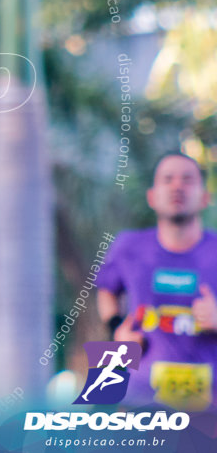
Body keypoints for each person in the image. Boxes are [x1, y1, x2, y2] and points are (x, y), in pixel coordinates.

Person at [97, 152, 217, 410]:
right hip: (139, 400)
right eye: (168, 179)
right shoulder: (127, 246)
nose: (177, 186)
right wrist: (116, 327)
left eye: (187, 180)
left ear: (205, 197)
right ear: (152, 196)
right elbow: (106, 291)